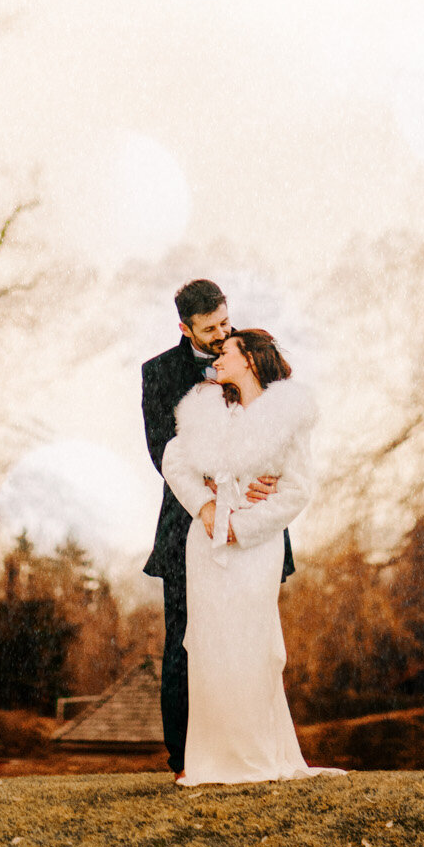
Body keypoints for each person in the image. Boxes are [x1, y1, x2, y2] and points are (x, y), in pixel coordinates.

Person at [161, 327, 343, 785]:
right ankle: (211, 759)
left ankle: (253, 754)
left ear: (251, 359)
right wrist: (204, 506)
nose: (217, 359)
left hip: (254, 546)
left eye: (226, 352)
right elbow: (174, 459)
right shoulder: (207, 408)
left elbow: (298, 490)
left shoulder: (287, 418)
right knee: (206, 645)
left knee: (251, 645)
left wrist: (241, 527)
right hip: (205, 545)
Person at [142, 280, 290, 780]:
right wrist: (211, 487)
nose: (222, 333)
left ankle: (252, 749)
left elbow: (278, 428)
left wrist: (270, 473)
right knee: (184, 642)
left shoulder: (250, 356)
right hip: (190, 522)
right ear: (185, 328)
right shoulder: (159, 374)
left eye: (226, 322)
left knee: (255, 640)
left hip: (254, 523)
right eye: (210, 329)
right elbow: (161, 449)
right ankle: (186, 759)